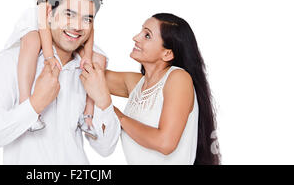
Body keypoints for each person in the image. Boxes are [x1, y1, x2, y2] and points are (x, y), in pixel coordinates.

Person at [0, 0, 120, 164]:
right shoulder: (13, 60)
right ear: (49, 13)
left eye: (87, 19)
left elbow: (106, 149)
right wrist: (34, 106)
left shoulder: (89, 72)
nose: (77, 26)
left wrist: (104, 101)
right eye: (69, 14)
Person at [81, 13, 221, 164]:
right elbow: (88, 73)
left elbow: (165, 143)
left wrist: (117, 115)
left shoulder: (178, 78)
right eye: (141, 31)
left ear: (167, 53)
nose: (136, 37)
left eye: (147, 35)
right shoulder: (137, 84)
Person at [9, 0, 106, 138]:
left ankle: (87, 116)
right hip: (43, 27)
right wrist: (50, 56)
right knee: (31, 40)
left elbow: (90, 24)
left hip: (70, 30)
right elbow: (43, 24)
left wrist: (87, 55)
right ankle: (26, 103)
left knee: (99, 59)